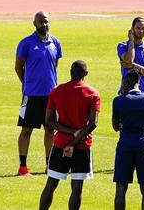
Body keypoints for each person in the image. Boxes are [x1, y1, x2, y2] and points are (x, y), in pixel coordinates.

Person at [39, 60, 101, 210]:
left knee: (51, 184)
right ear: (86, 74)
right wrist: (74, 140)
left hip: (60, 144)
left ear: (70, 72)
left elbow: (49, 121)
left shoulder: (56, 91)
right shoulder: (92, 93)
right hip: (82, 146)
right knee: (77, 188)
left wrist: (70, 133)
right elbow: (93, 123)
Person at [16, 11, 62, 176]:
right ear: (34, 23)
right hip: (31, 95)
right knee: (26, 130)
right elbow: (18, 67)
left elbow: (54, 64)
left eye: (46, 21)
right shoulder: (26, 43)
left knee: (50, 130)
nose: (44, 24)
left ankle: (49, 165)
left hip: (51, 95)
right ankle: (23, 167)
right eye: (41, 22)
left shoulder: (55, 42)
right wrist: (27, 83)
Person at [113, 70, 144, 210]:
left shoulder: (119, 100)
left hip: (125, 145)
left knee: (121, 187)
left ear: (127, 82)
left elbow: (115, 126)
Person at [119, 17, 144, 94]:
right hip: (127, 92)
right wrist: (131, 40)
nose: (141, 31)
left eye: (143, 29)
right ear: (132, 29)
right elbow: (129, 60)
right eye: (138, 28)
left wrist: (133, 66)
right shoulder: (123, 46)